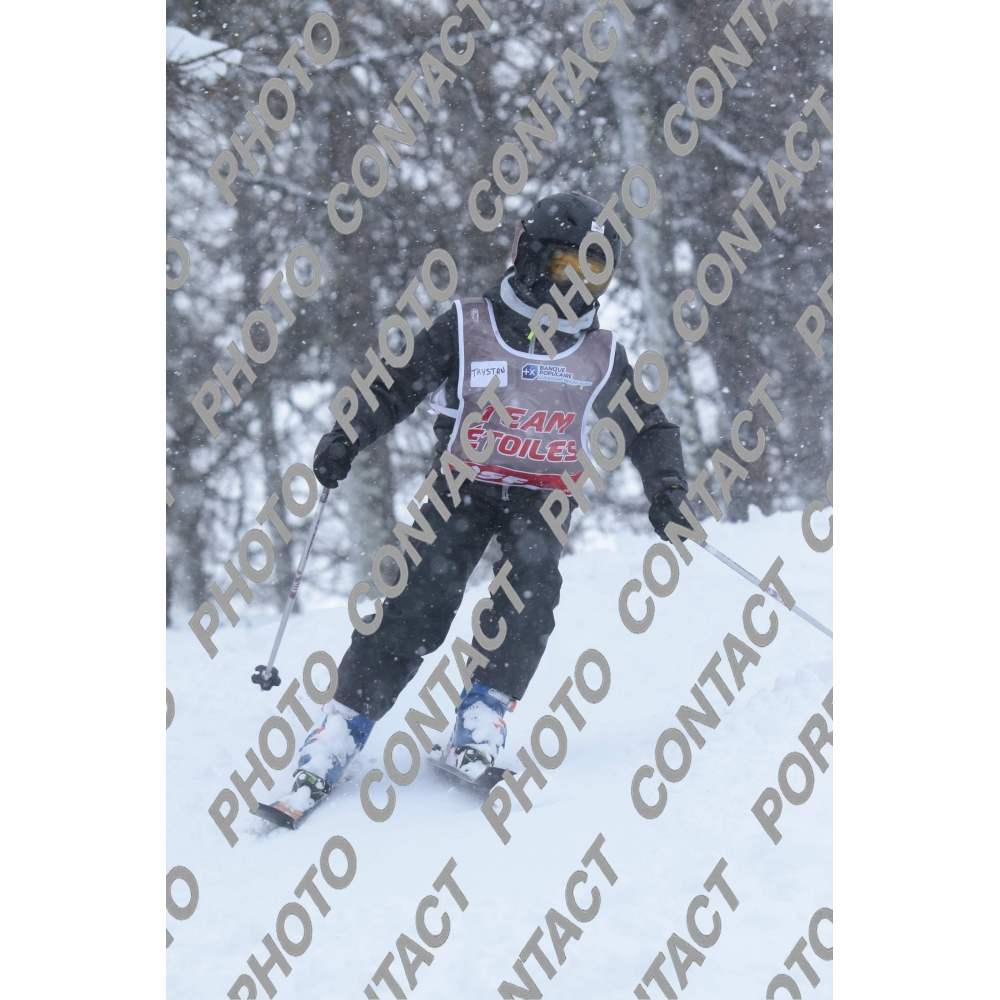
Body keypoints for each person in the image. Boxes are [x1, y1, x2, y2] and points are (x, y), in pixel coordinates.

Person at [275, 191, 692, 819]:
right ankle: (344, 725)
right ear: (531, 257)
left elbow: (650, 427)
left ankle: (482, 715)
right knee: (419, 598)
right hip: (462, 486)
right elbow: (395, 385)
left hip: (543, 493)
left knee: (532, 593)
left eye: (595, 274)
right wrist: (347, 436)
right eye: (566, 269)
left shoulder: (600, 354)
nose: (577, 289)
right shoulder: (468, 326)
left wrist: (667, 490)